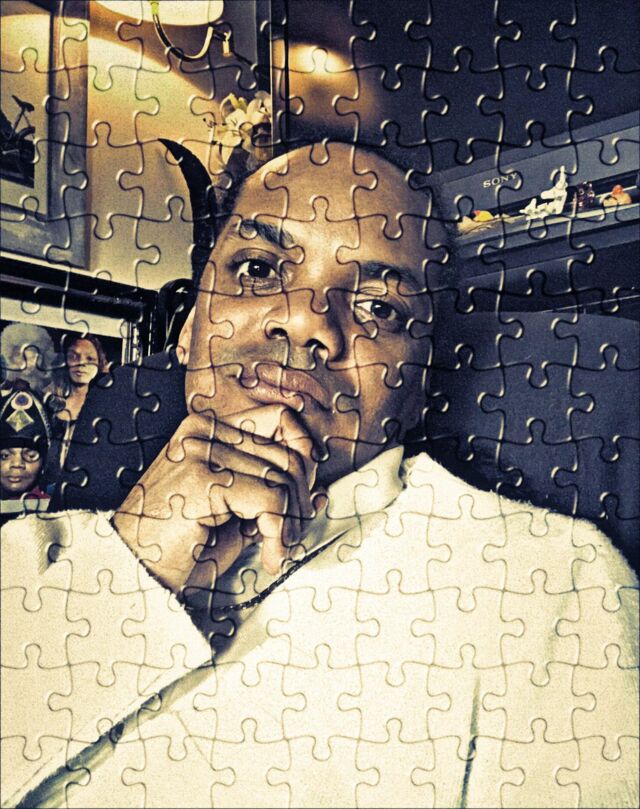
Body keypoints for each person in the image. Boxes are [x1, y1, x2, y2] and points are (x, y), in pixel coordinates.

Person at [2, 143, 638, 808]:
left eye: (380, 309)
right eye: (257, 269)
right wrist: (129, 567)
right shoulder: (22, 561)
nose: (306, 319)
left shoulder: (551, 582)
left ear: (418, 386)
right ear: (188, 327)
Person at [46, 333, 109, 469]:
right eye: (74, 356)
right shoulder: (48, 403)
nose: (81, 363)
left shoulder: (105, 409)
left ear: (99, 364)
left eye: (90, 358)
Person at [0, 380, 51, 522]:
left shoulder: (58, 514)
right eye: (5, 455)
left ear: (44, 462)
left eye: (30, 456)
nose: (17, 464)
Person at [0, 322, 57, 396]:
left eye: (32, 357)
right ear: (10, 356)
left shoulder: (49, 389)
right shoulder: (5, 382)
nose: (25, 363)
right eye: (18, 355)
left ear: (40, 359)